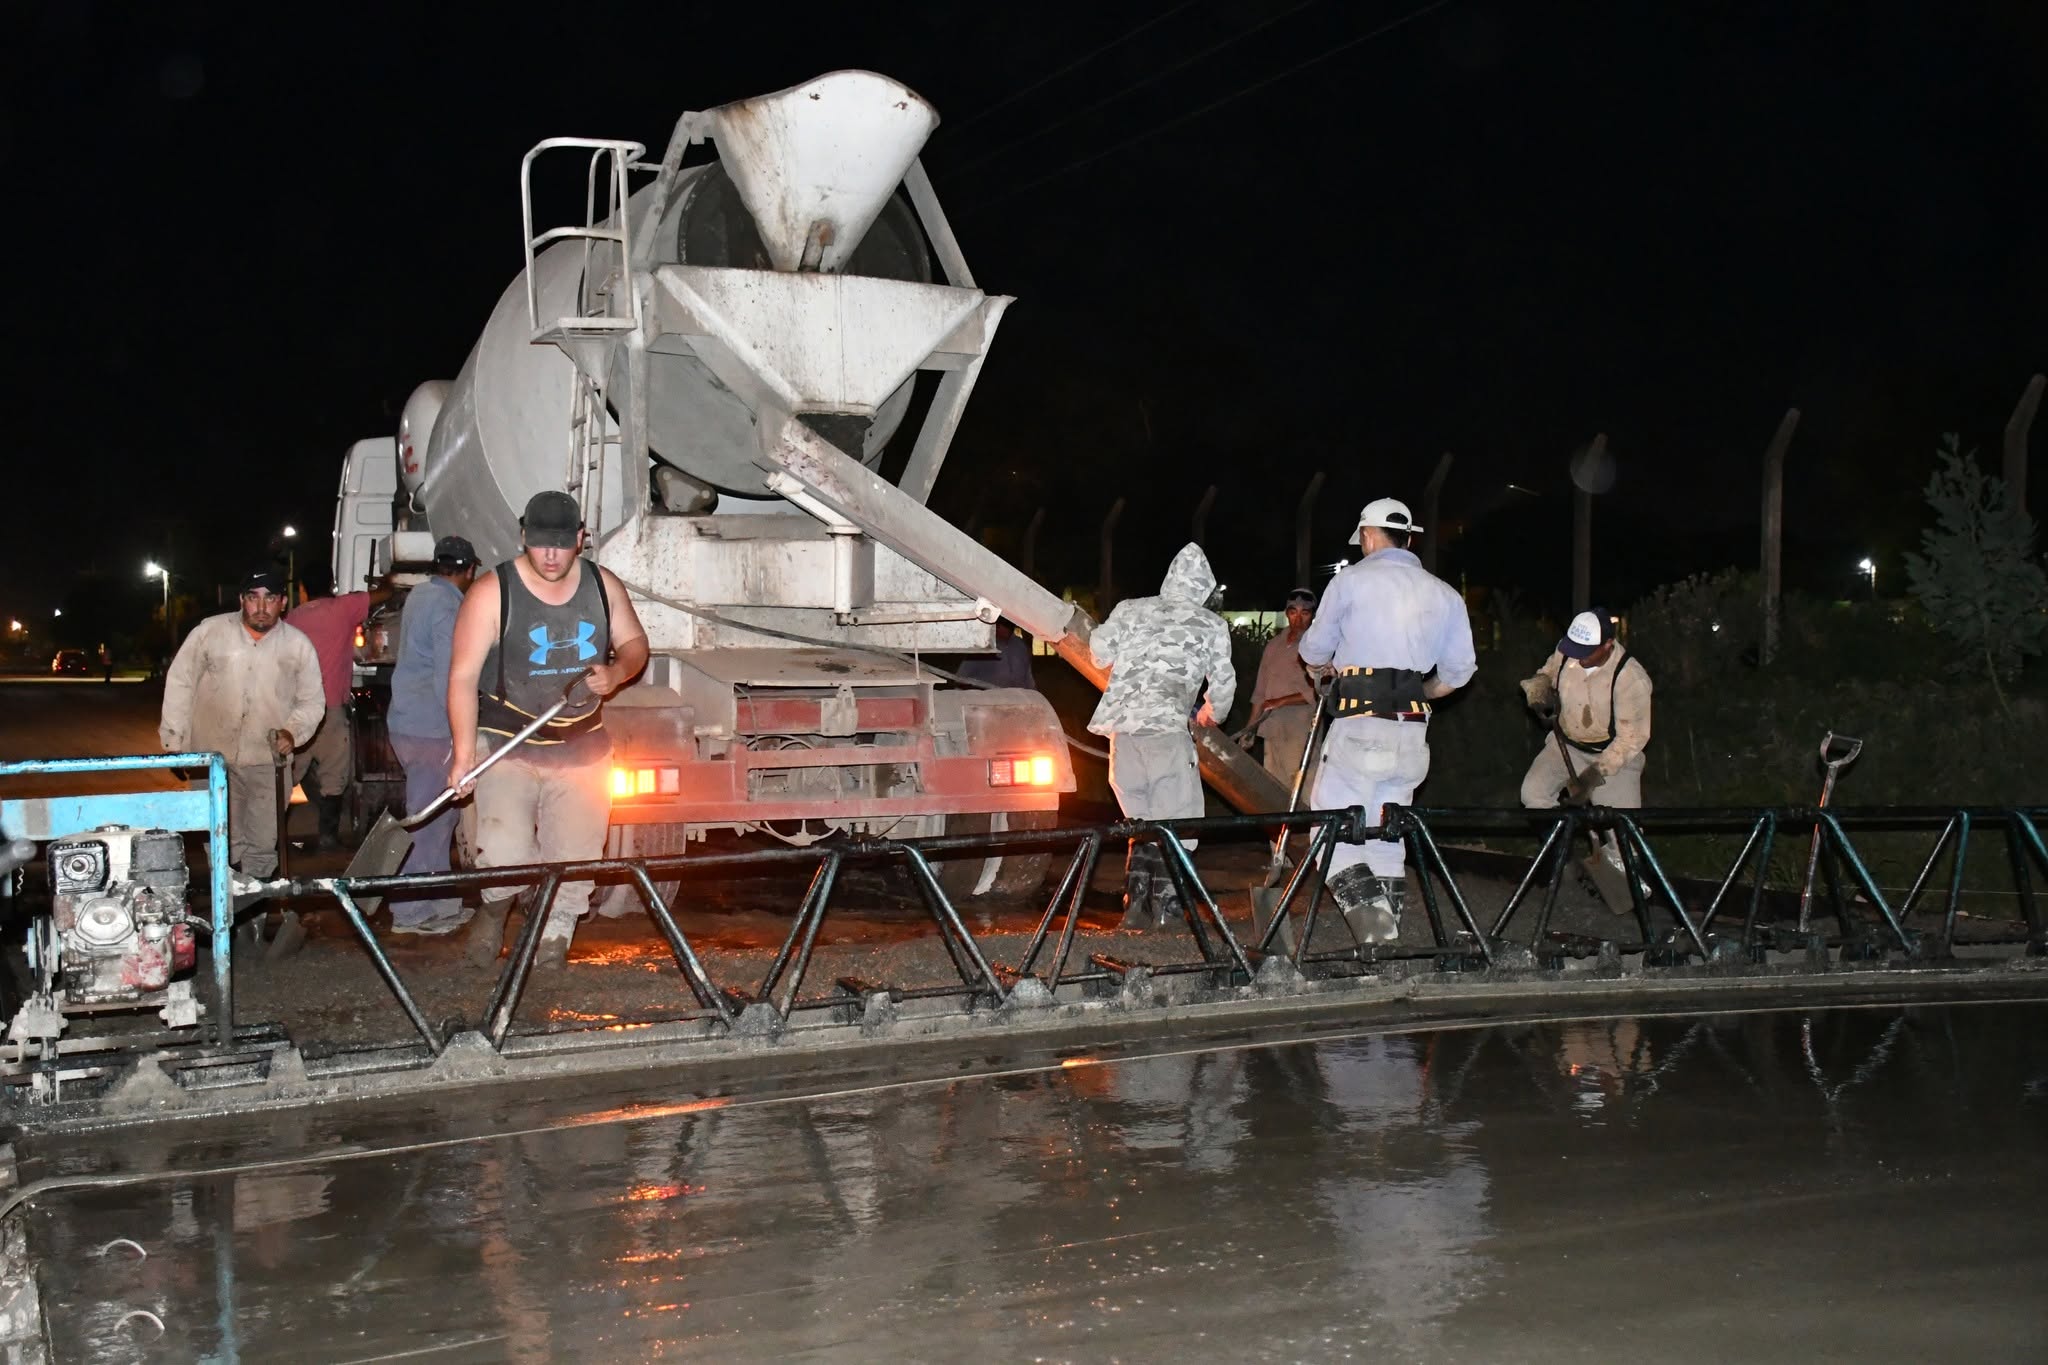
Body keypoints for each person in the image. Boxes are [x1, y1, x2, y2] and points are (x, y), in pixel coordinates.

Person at [448, 492, 648, 969]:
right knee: (504, 848)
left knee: (576, 854)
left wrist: (618, 673)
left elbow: (636, 644)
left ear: (580, 539)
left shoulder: (604, 586)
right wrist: (462, 755)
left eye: (562, 544)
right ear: (524, 537)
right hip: (507, 745)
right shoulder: (492, 592)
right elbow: (460, 677)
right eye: (541, 545)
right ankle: (496, 910)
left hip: (582, 747)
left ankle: (554, 937)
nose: (552, 556)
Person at [1297, 498, 1477, 944]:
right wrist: (1421, 691)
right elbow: (1458, 673)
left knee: (1329, 824)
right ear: (1409, 537)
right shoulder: (1445, 593)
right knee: (1385, 829)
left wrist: (1323, 674)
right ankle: (1387, 939)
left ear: (1369, 535)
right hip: (1412, 732)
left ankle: (1372, 923)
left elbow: (1314, 651)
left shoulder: (1352, 581)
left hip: (1359, 725)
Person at [1087, 543, 1235, 932]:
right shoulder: (1210, 624)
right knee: (1180, 821)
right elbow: (1222, 684)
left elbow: (1099, 652)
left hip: (1122, 735)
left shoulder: (1130, 609)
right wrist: (1211, 713)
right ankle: (1167, 911)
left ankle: (1134, 907)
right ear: (1203, 587)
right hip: (1168, 733)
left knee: (1141, 821)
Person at [159, 568, 325, 884]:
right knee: (221, 841)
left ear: (283, 603)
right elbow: (181, 682)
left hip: (268, 763)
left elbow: (312, 701)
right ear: (241, 600)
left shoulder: (298, 646)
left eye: (270, 599)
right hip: (213, 760)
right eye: (253, 598)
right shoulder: (210, 633)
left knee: (262, 846)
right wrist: (174, 742)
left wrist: (292, 731)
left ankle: (252, 919)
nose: (261, 608)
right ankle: (226, 909)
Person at [1518, 608, 1653, 905]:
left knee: (1623, 830)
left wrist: (1591, 778)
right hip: (1565, 745)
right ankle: (1563, 860)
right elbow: (1549, 671)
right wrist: (1539, 688)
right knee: (1533, 795)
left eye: (1586, 653)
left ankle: (1624, 886)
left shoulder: (1631, 678)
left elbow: (1632, 738)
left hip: (1615, 755)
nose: (1577, 658)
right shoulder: (1569, 650)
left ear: (1607, 645)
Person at [381, 536, 479, 934]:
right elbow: (448, 678)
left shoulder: (421, 595)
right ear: (470, 570)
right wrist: (461, 737)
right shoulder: (449, 607)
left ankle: (440, 905)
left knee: (439, 820)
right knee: (427, 822)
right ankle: (408, 913)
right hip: (432, 728)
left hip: (409, 721)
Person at [285, 577, 394, 851]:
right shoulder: (343, 608)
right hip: (331, 710)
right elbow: (385, 594)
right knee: (334, 778)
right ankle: (328, 838)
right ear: (332, 585)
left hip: (296, 712)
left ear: (303, 588)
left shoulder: (292, 618)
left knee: (286, 774)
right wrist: (387, 580)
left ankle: (271, 838)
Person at [1247, 588, 1319, 793]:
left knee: (1301, 788)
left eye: (1305, 612)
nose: (1298, 618)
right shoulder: (1273, 645)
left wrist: (1281, 701)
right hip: (1272, 728)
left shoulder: (1316, 647)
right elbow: (1260, 692)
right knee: (1273, 789)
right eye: (1293, 611)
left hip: (1301, 729)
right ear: (1287, 613)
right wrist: (1250, 730)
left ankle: (1305, 826)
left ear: (1312, 616)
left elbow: (1319, 690)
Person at [956, 618, 1036, 689]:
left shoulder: (1020, 646)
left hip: (1019, 701)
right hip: (989, 702)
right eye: (1005, 624)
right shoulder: (983, 647)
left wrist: (1034, 696)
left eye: (1010, 623)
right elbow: (961, 679)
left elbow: (1028, 679)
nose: (1009, 627)